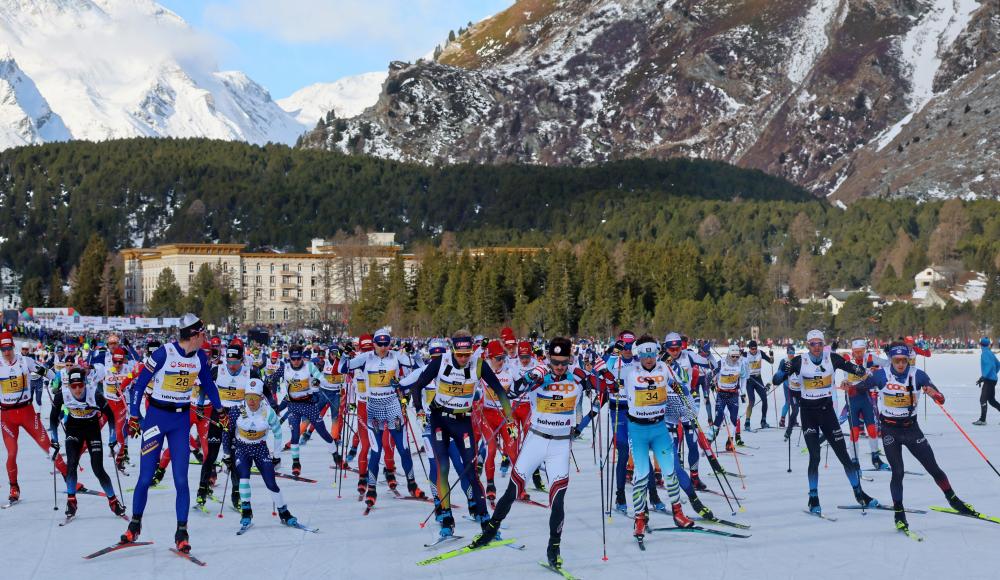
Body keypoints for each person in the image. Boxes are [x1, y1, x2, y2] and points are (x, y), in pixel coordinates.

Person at [469, 337, 588, 571]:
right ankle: (491, 530)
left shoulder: (577, 376)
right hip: (536, 439)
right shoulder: (539, 374)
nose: (560, 367)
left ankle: (554, 548)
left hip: (560, 445)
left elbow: (608, 388)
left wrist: (595, 376)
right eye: (555, 362)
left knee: (558, 499)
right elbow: (513, 392)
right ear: (548, 359)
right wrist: (530, 379)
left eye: (564, 362)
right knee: (513, 488)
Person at [119, 314, 226, 553]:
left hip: (179, 421)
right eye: (203, 335)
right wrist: (135, 415)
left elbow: (208, 385)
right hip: (156, 419)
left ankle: (182, 532)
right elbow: (139, 384)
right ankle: (134, 525)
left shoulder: (199, 357)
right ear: (194, 335)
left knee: (180, 480)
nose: (205, 339)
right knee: (146, 477)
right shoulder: (164, 353)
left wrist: (220, 410)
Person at [854, 341, 980, 532]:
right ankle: (899, 513)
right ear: (891, 360)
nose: (901, 364)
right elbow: (861, 387)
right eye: (897, 360)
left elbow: (941, 398)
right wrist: (850, 386)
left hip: (911, 429)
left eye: (904, 360)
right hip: (890, 431)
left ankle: (953, 500)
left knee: (933, 468)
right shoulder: (881, 375)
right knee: (898, 472)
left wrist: (934, 393)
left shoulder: (917, 375)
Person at [406, 330, 512, 538]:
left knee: (470, 470)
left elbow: (499, 390)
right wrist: (419, 410)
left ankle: (483, 517)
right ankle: (446, 517)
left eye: (467, 354)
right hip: (439, 420)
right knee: (442, 468)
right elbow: (417, 386)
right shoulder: (441, 362)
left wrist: (509, 419)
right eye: (460, 355)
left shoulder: (478, 364)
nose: (464, 359)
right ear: (453, 350)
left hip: (462, 421)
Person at [770, 330, 878, 515]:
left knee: (844, 455)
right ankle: (813, 498)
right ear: (807, 345)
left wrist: (865, 372)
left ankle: (859, 493)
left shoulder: (832, 358)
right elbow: (776, 380)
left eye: (819, 343)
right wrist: (783, 371)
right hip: (809, 414)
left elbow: (852, 368)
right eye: (813, 344)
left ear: (823, 343)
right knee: (815, 456)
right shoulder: (799, 361)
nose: (817, 347)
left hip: (827, 413)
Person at [621, 337, 695, 540]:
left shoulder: (664, 367)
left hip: (659, 427)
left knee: (670, 471)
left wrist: (684, 395)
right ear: (639, 355)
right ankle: (639, 518)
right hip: (637, 430)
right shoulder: (631, 370)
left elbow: (680, 382)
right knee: (642, 475)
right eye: (644, 355)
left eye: (651, 355)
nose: (648, 359)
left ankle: (678, 513)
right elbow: (620, 365)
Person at [342, 328, 425, 509]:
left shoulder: (395, 356)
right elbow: (343, 368)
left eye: (386, 343)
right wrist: (344, 354)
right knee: (376, 449)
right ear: (374, 344)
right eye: (379, 344)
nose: (383, 347)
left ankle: (412, 484)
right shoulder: (366, 358)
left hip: (393, 405)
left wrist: (414, 353)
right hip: (374, 407)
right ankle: (371, 489)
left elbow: (419, 367)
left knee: (402, 448)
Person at [1, 331, 69, 503]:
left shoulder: (25, 361)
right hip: (7, 417)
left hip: (27, 413)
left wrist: (57, 381)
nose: (6, 352)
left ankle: (69, 478)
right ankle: (14, 487)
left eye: (8, 348)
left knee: (48, 446)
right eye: (3, 349)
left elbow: (48, 373)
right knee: (11, 453)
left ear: (13, 347)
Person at [50, 367, 126, 519]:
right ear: (68, 386)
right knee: (71, 464)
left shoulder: (95, 395)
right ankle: (71, 501)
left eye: (80, 385)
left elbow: (111, 416)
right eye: (73, 386)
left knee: (97, 468)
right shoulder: (62, 396)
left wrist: (112, 439)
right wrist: (55, 440)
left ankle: (113, 501)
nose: (77, 389)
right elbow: (53, 419)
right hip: (73, 429)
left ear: (85, 383)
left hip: (92, 428)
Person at [196, 338, 261, 510]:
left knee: (234, 457)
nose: (232, 366)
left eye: (235, 362)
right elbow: (204, 386)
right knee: (211, 453)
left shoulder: (250, 372)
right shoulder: (218, 369)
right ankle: (202, 490)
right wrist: (201, 404)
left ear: (242, 360)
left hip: (238, 415)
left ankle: (236, 494)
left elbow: (258, 393)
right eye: (229, 361)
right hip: (219, 414)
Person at [234, 378, 298, 529]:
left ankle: (284, 512)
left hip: (260, 448)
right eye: (248, 398)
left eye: (255, 398)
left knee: (271, 483)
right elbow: (228, 431)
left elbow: (277, 434)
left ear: (261, 398)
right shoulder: (239, 408)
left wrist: (277, 456)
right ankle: (246, 511)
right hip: (242, 448)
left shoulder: (268, 412)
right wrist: (227, 453)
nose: (251, 402)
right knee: (243, 479)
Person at [275, 344, 338, 476]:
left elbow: (321, 379)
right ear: (290, 358)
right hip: (293, 405)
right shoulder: (284, 368)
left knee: (323, 432)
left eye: (299, 358)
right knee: (295, 435)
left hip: (309, 405)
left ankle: (335, 454)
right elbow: (269, 381)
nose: (296, 361)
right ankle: (296, 463)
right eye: (294, 359)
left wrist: (332, 386)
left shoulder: (308, 366)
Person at [479, 340, 519, 503]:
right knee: (492, 449)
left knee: (512, 450)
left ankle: (517, 485)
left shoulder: (510, 372)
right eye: (498, 358)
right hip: (487, 415)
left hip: (506, 416)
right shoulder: (482, 370)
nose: (501, 361)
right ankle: (490, 485)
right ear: (490, 358)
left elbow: (522, 386)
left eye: (503, 358)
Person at [839, 338, 887, 471]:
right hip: (852, 398)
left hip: (866, 398)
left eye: (861, 351)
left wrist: (886, 358)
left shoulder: (871, 358)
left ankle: (875, 458)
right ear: (852, 351)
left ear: (865, 350)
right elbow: (844, 377)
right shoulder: (847, 361)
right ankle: (854, 461)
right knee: (854, 432)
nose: (858, 354)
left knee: (872, 429)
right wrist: (844, 383)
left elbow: (889, 364)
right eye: (856, 352)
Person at [89, 347, 135, 472]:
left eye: (120, 362)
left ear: (124, 360)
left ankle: (119, 459)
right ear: (112, 360)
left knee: (119, 433)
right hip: (107, 405)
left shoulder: (128, 370)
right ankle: (77, 452)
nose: (118, 365)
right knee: (93, 428)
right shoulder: (106, 369)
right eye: (115, 362)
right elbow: (92, 383)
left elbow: (134, 380)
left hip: (121, 407)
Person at [708, 344, 747, 448]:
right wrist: (712, 381)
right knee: (719, 418)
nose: (735, 358)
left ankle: (730, 442)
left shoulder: (741, 364)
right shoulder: (721, 362)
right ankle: (709, 440)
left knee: (734, 419)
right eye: (733, 356)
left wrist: (743, 391)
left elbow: (743, 377)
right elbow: (712, 374)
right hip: (721, 394)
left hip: (733, 394)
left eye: (737, 356)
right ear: (729, 354)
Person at [742, 340, 773, 430]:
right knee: (752, 401)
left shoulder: (760, 353)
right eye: (752, 349)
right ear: (749, 348)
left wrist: (771, 355)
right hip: (749, 380)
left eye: (755, 348)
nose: (754, 350)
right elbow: (735, 360)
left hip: (758, 379)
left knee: (765, 399)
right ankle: (747, 422)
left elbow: (771, 361)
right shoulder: (745, 355)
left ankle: (763, 421)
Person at [974, 337, 1000, 425]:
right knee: (991, 400)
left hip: (989, 380)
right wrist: (994, 373)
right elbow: (998, 364)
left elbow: (989, 366)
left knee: (983, 399)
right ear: (988, 344)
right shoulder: (990, 353)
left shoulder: (985, 353)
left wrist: (984, 377)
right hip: (992, 379)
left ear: (981, 344)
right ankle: (982, 419)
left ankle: (982, 420)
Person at [779, 345, 802, 441]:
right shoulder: (783, 361)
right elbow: (779, 373)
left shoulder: (797, 360)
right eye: (790, 353)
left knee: (796, 405)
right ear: (787, 353)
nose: (791, 355)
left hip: (796, 386)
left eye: (793, 353)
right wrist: (786, 382)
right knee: (788, 402)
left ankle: (794, 420)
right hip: (787, 385)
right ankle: (782, 419)